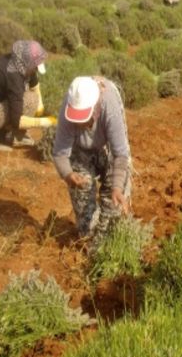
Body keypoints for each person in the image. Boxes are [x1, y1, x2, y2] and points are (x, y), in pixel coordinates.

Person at [52, 76, 132, 251]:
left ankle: (113, 241)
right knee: (83, 197)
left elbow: (120, 154)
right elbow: (59, 153)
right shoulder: (69, 106)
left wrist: (117, 188)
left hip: (110, 151)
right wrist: (68, 174)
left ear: (95, 108)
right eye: (77, 118)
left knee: (114, 209)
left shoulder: (108, 105)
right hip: (80, 151)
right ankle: (91, 240)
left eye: (84, 118)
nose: (80, 122)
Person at [0, 40, 55, 151]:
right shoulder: (13, 75)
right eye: (35, 67)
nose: (36, 70)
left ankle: (14, 133)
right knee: (31, 100)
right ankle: (1, 135)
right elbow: (17, 119)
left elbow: (34, 84)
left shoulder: (20, 63)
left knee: (32, 97)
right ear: (28, 63)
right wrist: (44, 122)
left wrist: (41, 107)